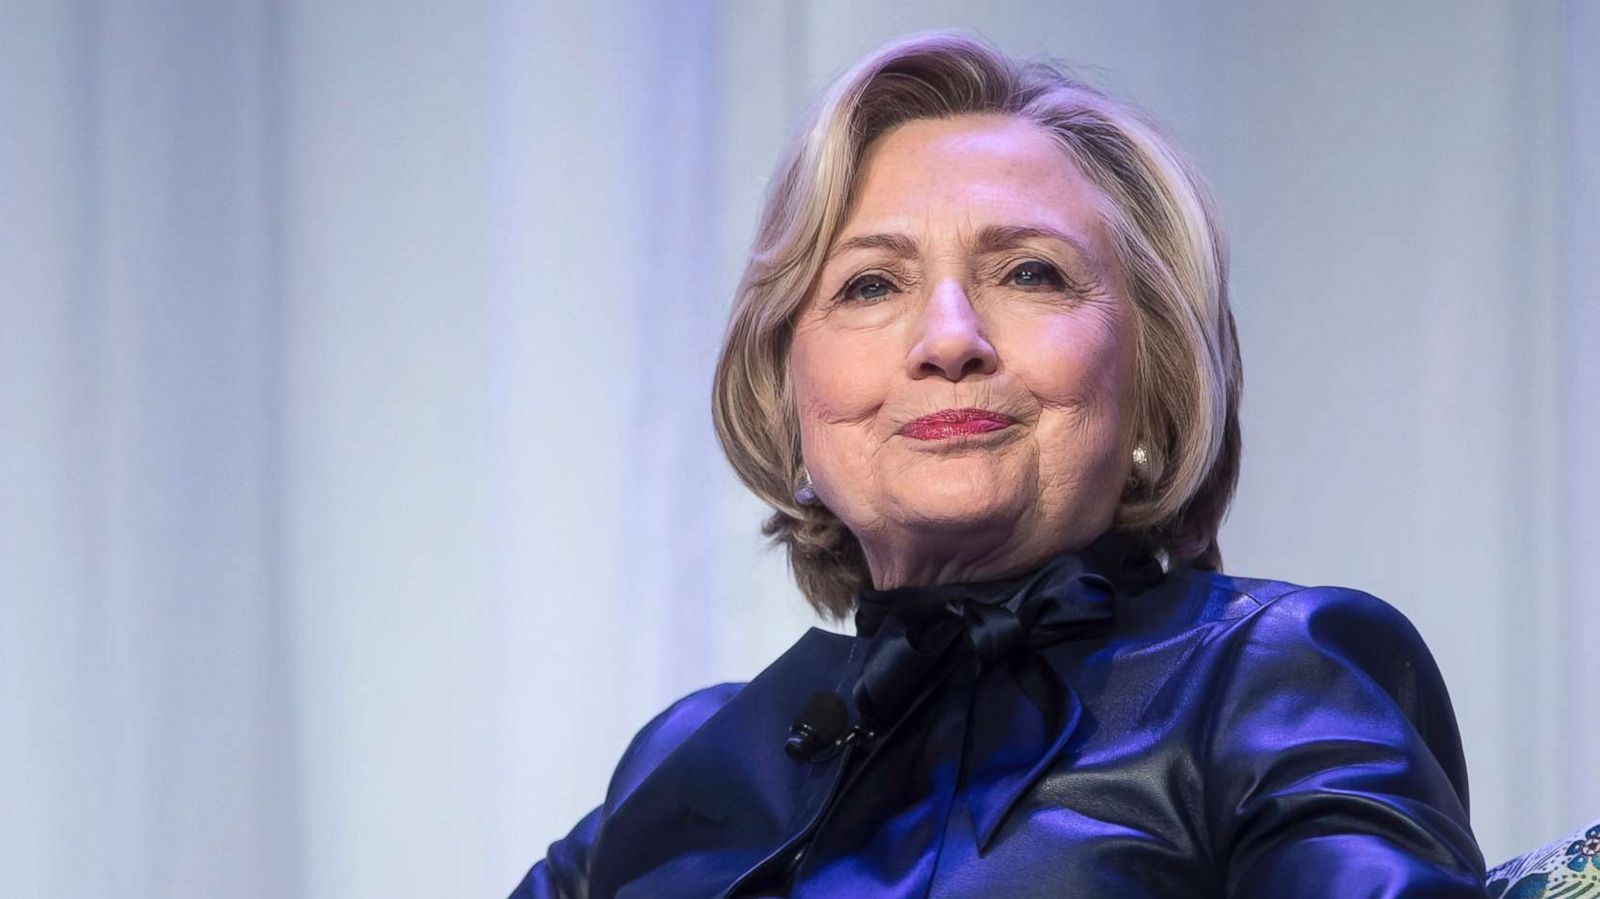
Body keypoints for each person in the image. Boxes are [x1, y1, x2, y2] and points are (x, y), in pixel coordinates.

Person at [511, 29, 1490, 898]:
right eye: (869, 284)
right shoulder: (682, 759)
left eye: (1030, 273)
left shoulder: (1274, 673)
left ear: (1150, 379)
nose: (948, 338)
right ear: (790, 392)